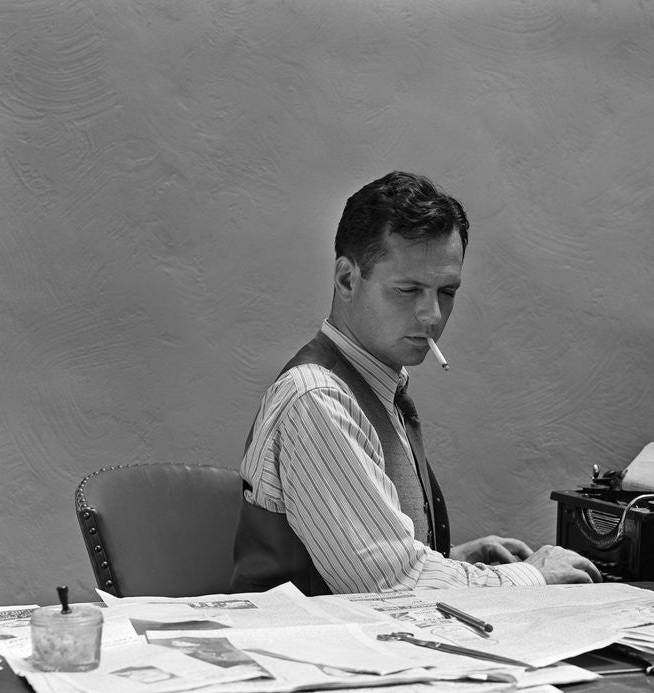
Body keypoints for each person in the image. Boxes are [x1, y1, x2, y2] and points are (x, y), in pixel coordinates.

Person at [229, 171, 601, 595]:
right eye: (408, 290)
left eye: (447, 291)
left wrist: (451, 560)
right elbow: (389, 585)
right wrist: (532, 575)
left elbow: (375, 557)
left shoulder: (377, 386)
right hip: (306, 654)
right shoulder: (317, 398)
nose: (432, 316)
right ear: (347, 280)